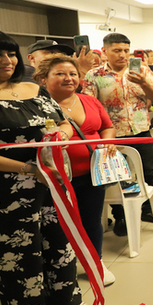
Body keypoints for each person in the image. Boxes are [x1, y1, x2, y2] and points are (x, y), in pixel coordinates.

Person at [0, 31, 88, 305]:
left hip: (51, 184)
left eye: (10, 54)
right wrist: (29, 169)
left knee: (60, 249)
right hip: (9, 193)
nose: (6, 60)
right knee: (22, 256)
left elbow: (62, 123)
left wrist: (59, 136)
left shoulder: (33, 89)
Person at [33, 54, 118, 287]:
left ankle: (95, 262)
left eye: (73, 74)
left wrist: (108, 141)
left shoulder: (89, 100)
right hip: (54, 178)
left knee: (91, 221)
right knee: (57, 223)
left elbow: (108, 127)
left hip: (91, 173)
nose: (69, 79)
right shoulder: (35, 107)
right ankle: (62, 267)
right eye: (60, 73)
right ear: (43, 79)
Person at [81, 32, 153, 236]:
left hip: (140, 130)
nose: (122, 55)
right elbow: (90, 106)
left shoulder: (142, 70)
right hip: (112, 134)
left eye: (126, 50)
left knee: (146, 172)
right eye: (117, 50)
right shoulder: (94, 75)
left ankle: (146, 210)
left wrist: (144, 83)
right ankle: (120, 214)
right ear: (105, 51)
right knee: (117, 176)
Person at [26, 39, 95, 83]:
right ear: (32, 58)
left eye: (60, 53)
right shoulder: (23, 77)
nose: (57, 56)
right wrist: (81, 69)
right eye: (51, 52)